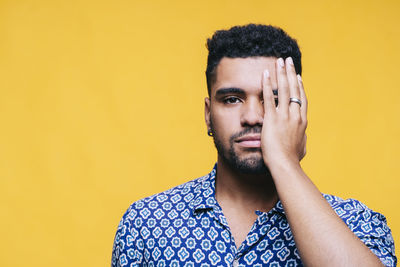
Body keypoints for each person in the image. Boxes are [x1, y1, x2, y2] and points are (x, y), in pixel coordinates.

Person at [111, 24, 396, 266]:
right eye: (232, 99)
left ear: (296, 110)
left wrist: (285, 161)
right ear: (209, 115)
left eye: (271, 98)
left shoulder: (356, 222)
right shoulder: (146, 224)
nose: (252, 117)